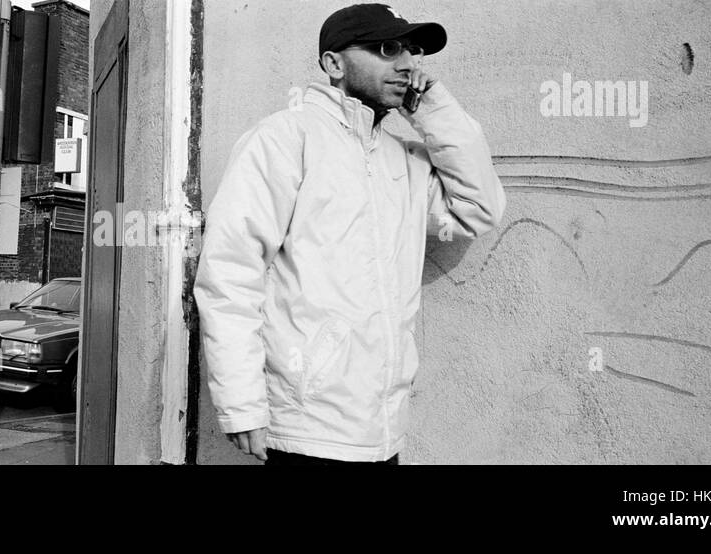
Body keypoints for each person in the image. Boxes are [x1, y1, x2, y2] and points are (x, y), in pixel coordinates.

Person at [194, 4, 506, 465]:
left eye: (412, 50)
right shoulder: (285, 138)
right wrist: (241, 404)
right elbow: (229, 275)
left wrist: (433, 108)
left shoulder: (404, 161)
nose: (406, 64)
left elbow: (479, 209)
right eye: (386, 48)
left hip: (383, 433)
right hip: (307, 430)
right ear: (334, 64)